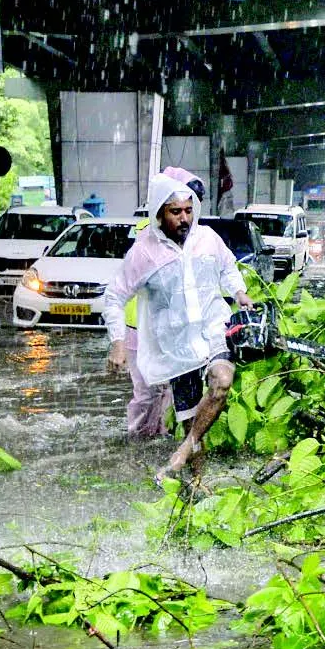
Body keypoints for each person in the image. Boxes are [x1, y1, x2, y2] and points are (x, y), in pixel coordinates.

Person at [103, 172, 252, 481]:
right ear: (160, 213)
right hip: (176, 346)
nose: (185, 218)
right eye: (176, 212)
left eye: (188, 210)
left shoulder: (207, 237)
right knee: (189, 420)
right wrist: (118, 342)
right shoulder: (144, 252)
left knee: (222, 381)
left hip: (213, 328)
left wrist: (239, 292)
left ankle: (181, 453)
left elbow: (228, 267)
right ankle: (197, 485)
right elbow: (114, 296)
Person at [118, 168, 205, 442]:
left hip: (172, 328)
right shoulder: (149, 233)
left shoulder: (192, 236)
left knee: (168, 390)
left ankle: (161, 438)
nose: (185, 216)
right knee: (146, 392)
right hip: (140, 327)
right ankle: (136, 440)